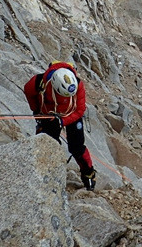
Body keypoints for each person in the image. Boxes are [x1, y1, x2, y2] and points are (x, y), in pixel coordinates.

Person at [24, 61, 96, 190]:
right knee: (47, 144)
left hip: (71, 115)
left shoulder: (78, 84)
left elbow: (80, 110)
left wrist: (62, 121)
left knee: (77, 148)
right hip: (49, 115)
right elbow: (28, 91)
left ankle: (88, 175)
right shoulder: (39, 82)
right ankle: (46, 173)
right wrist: (36, 111)